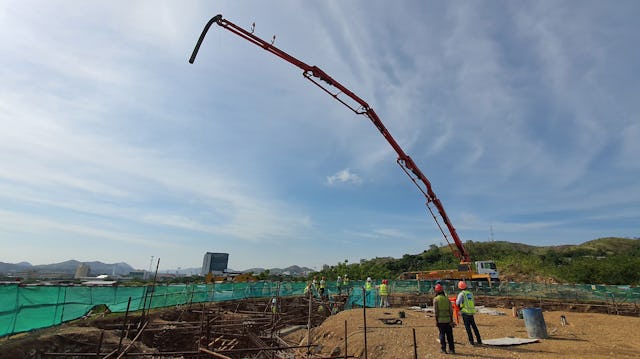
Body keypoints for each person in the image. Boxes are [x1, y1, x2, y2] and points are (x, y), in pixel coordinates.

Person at [456, 281, 482, 346]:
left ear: (459, 287)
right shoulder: (470, 293)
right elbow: (472, 302)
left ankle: (471, 341)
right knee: (474, 326)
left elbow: (457, 303)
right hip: (471, 312)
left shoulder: (461, 294)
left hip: (465, 312)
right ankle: (479, 340)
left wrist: (460, 307)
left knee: (468, 328)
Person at [433, 283, 455, 354]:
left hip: (440, 320)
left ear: (436, 291)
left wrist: (436, 321)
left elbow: (436, 312)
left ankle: (443, 349)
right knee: (450, 335)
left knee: (442, 334)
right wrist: (451, 320)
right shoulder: (447, 299)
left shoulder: (436, 299)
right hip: (448, 320)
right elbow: (451, 310)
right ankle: (452, 349)